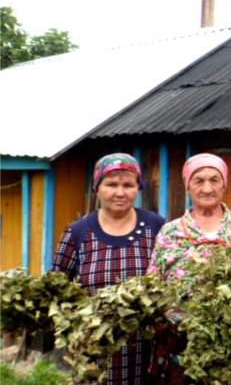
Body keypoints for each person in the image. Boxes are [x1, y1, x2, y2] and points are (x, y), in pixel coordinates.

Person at [52, 153, 165, 385]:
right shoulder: (78, 231)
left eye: (128, 185)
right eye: (111, 184)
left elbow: (170, 281)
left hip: (146, 348)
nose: (120, 192)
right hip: (94, 351)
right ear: (97, 187)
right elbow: (55, 287)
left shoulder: (157, 227)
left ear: (138, 187)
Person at [146, 153, 231, 384]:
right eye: (199, 180)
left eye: (214, 180)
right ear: (188, 186)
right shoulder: (170, 232)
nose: (207, 188)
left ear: (224, 184)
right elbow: (153, 284)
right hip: (181, 346)